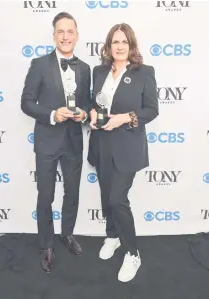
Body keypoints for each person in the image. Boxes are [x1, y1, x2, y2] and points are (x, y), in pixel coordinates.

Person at [87, 23, 159, 282]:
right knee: (107, 196)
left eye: (124, 42)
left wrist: (125, 118)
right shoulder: (99, 71)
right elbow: (92, 102)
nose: (119, 46)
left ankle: (133, 253)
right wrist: (93, 112)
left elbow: (151, 110)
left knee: (118, 199)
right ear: (108, 46)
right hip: (101, 144)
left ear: (131, 46)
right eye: (115, 42)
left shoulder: (144, 72)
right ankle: (112, 236)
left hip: (128, 147)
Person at [21, 12, 91, 273]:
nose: (65, 36)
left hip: (73, 140)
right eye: (60, 31)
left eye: (69, 31)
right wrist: (52, 114)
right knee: (46, 196)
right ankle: (46, 245)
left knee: (72, 194)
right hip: (47, 141)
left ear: (76, 35)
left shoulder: (84, 69)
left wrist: (84, 113)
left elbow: (86, 104)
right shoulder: (39, 64)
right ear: (54, 35)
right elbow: (26, 102)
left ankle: (68, 234)